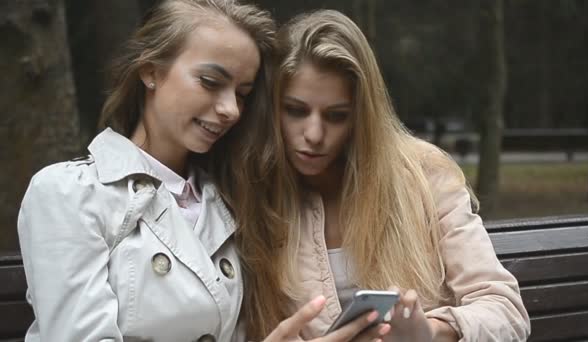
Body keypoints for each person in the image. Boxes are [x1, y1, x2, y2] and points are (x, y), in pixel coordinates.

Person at [17, 1, 388, 341]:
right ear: (151, 71)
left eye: (242, 93)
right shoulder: (69, 193)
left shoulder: (230, 201)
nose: (231, 110)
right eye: (211, 82)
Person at [236, 9, 531, 341]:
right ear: (271, 107)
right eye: (296, 111)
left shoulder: (425, 174)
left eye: (336, 116)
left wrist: (431, 332)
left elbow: (505, 310)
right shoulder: (253, 194)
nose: (315, 134)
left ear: (362, 115)